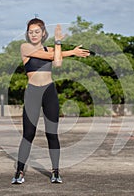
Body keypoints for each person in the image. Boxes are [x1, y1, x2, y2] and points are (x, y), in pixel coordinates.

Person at [11, 18, 90, 184]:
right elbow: (49, 56)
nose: (33, 34)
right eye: (30, 32)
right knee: (28, 134)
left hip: (49, 91)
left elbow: (58, 62)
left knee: (52, 133)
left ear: (43, 33)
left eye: (36, 31)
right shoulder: (25, 47)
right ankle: (19, 171)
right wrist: (72, 52)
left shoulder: (51, 48)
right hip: (32, 92)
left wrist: (58, 41)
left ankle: (55, 171)